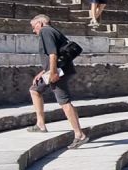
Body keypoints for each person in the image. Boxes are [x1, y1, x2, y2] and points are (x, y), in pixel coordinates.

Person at [28, 14, 87, 146]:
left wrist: (53, 73)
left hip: (57, 73)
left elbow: (53, 54)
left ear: (40, 24)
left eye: (34, 27)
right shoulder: (53, 31)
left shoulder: (45, 31)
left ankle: (79, 134)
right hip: (56, 70)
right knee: (35, 89)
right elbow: (60, 54)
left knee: (64, 102)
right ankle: (40, 124)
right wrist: (44, 71)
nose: (33, 30)